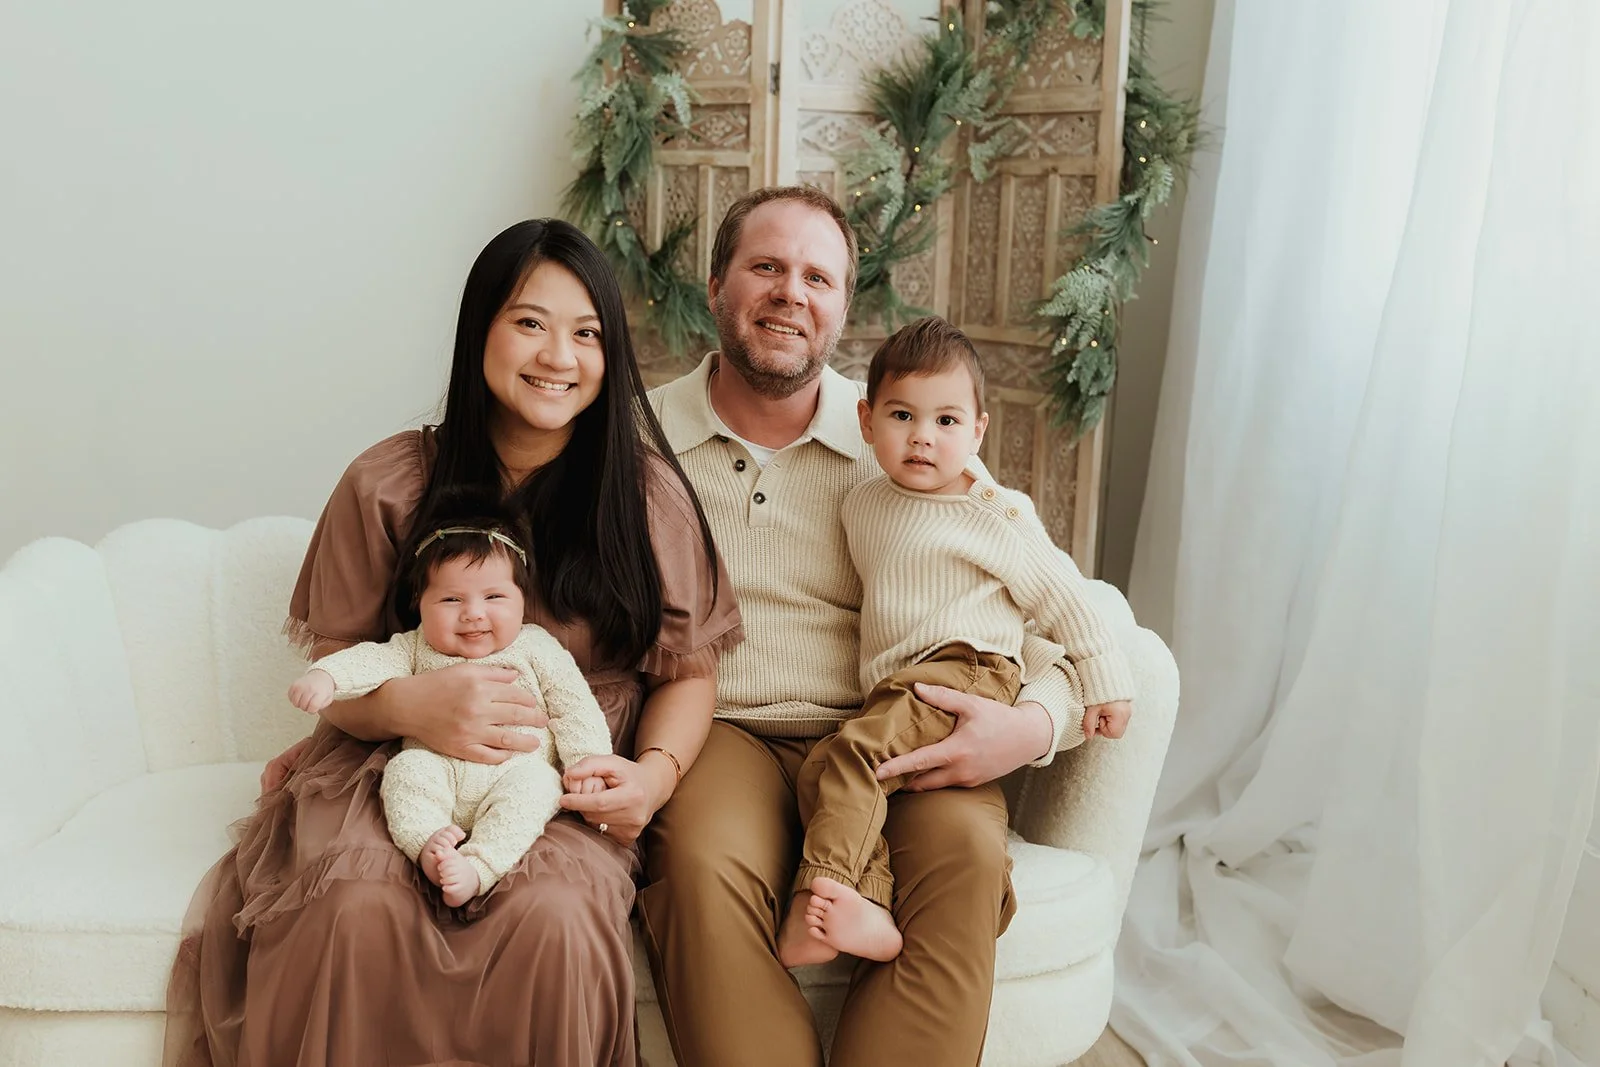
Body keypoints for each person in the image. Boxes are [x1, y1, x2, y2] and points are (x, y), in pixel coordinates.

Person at [163, 218, 742, 1067]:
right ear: (481, 331)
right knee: (354, 904)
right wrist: (408, 704)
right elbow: (342, 665)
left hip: (557, 771)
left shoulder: (645, 496)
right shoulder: (390, 480)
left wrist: (652, 777)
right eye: (530, 322)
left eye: (586, 333)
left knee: (555, 919)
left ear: (612, 354)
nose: (558, 355)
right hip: (392, 759)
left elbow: (688, 673)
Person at [640, 186, 1129, 1067]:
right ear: (716, 286)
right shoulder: (642, 442)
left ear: (840, 308)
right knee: (699, 864)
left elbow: (1049, 612)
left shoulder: (911, 434)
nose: (792, 291)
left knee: (967, 862)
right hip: (725, 727)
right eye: (766, 267)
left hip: (906, 721)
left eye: (817, 276)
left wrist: (1029, 727)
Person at [772, 315, 1135, 968]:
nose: (922, 437)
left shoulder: (993, 511)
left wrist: (1105, 680)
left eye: (946, 421)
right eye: (903, 415)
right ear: (866, 422)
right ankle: (871, 901)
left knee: (854, 756)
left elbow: (1063, 598)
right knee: (824, 768)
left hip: (967, 670)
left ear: (977, 430)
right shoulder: (865, 504)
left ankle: (822, 895)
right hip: (898, 689)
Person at [287, 509, 614, 907]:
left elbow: (574, 709)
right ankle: (427, 843)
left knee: (538, 788)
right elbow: (369, 661)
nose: (474, 613)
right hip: (437, 764)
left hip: (516, 769)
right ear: (420, 603)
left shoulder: (536, 647)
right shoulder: (416, 646)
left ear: (521, 601)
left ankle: (479, 866)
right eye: (451, 599)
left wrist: (590, 765)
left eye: (494, 597)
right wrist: (326, 678)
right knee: (406, 772)